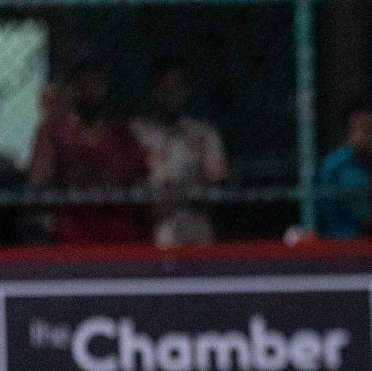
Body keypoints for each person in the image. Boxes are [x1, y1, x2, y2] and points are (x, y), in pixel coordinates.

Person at [28, 63, 150, 245]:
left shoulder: (121, 134)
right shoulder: (57, 131)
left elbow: (140, 179)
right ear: (73, 90)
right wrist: (49, 118)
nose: (91, 92)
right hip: (73, 223)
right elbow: (39, 179)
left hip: (117, 220)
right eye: (83, 85)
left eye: (97, 84)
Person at [132, 61, 229, 247]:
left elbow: (218, 179)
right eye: (164, 90)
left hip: (196, 217)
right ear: (153, 92)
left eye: (176, 89)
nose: (170, 97)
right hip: (156, 221)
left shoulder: (203, 133)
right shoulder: (138, 132)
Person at [318, 104, 372, 239]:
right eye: (362, 129)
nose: (368, 135)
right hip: (343, 238)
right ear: (349, 133)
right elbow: (325, 209)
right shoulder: (334, 164)